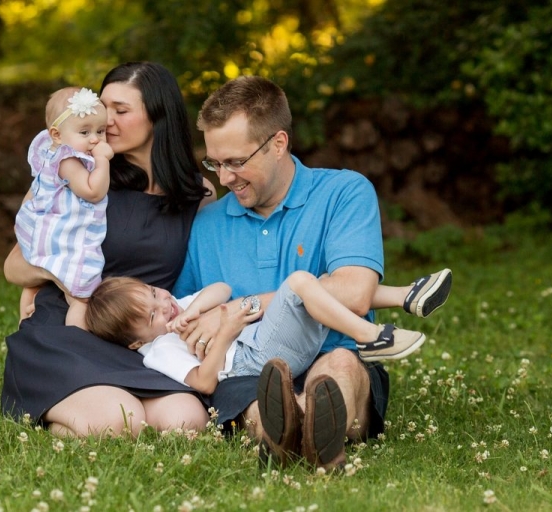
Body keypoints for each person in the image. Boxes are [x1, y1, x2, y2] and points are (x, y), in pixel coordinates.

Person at [171, 75, 453, 470]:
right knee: (257, 399)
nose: (224, 178)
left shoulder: (343, 192)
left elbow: (355, 292)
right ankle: (299, 432)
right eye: (214, 163)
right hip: (251, 371)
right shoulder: (207, 225)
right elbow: (184, 316)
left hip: (336, 352)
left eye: (236, 162)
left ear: (279, 144)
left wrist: (239, 308)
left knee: (336, 368)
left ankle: (298, 430)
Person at [1, 62, 217, 438]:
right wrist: (65, 280)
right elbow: (14, 266)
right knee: (118, 422)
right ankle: (58, 407)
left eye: (122, 110)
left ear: (158, 118)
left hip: (143, 338)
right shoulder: (74, 179)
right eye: (103, 108)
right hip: (70, 328)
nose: (107, 120)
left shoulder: (197, 194)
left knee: (187, 421)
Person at [86, 268, 448, 393]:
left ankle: (408, 297)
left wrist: (194, 309)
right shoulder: (160, 349)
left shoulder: (181, 310)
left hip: (263, 343)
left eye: (154, 292)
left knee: (319, 285)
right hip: (254, 360)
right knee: (301, 283)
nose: (164, 305)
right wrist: (225, 333)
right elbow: (203, 383)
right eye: (152, 315)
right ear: (137, 341)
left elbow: (222, 290)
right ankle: (370, 338)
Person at [14, 86, 113, 329]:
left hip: (44, 231)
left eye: (101, 131)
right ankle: (75, 337)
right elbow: (93, 191)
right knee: (81, 295)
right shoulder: (67, 159)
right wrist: (103, 160)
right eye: (85, 132)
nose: (95, 139)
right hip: (60, 236)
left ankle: (25, 322)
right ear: (57, 135)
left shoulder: (55, 152)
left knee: (34, 282)